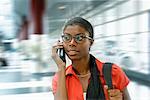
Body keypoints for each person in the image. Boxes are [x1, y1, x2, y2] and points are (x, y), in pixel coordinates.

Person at [51, 17, 131, 100]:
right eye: (67, 38)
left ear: (91, 42)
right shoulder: (60, 78)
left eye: (79, 38)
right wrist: (61, 67)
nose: (72, 43)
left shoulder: (113, 72)